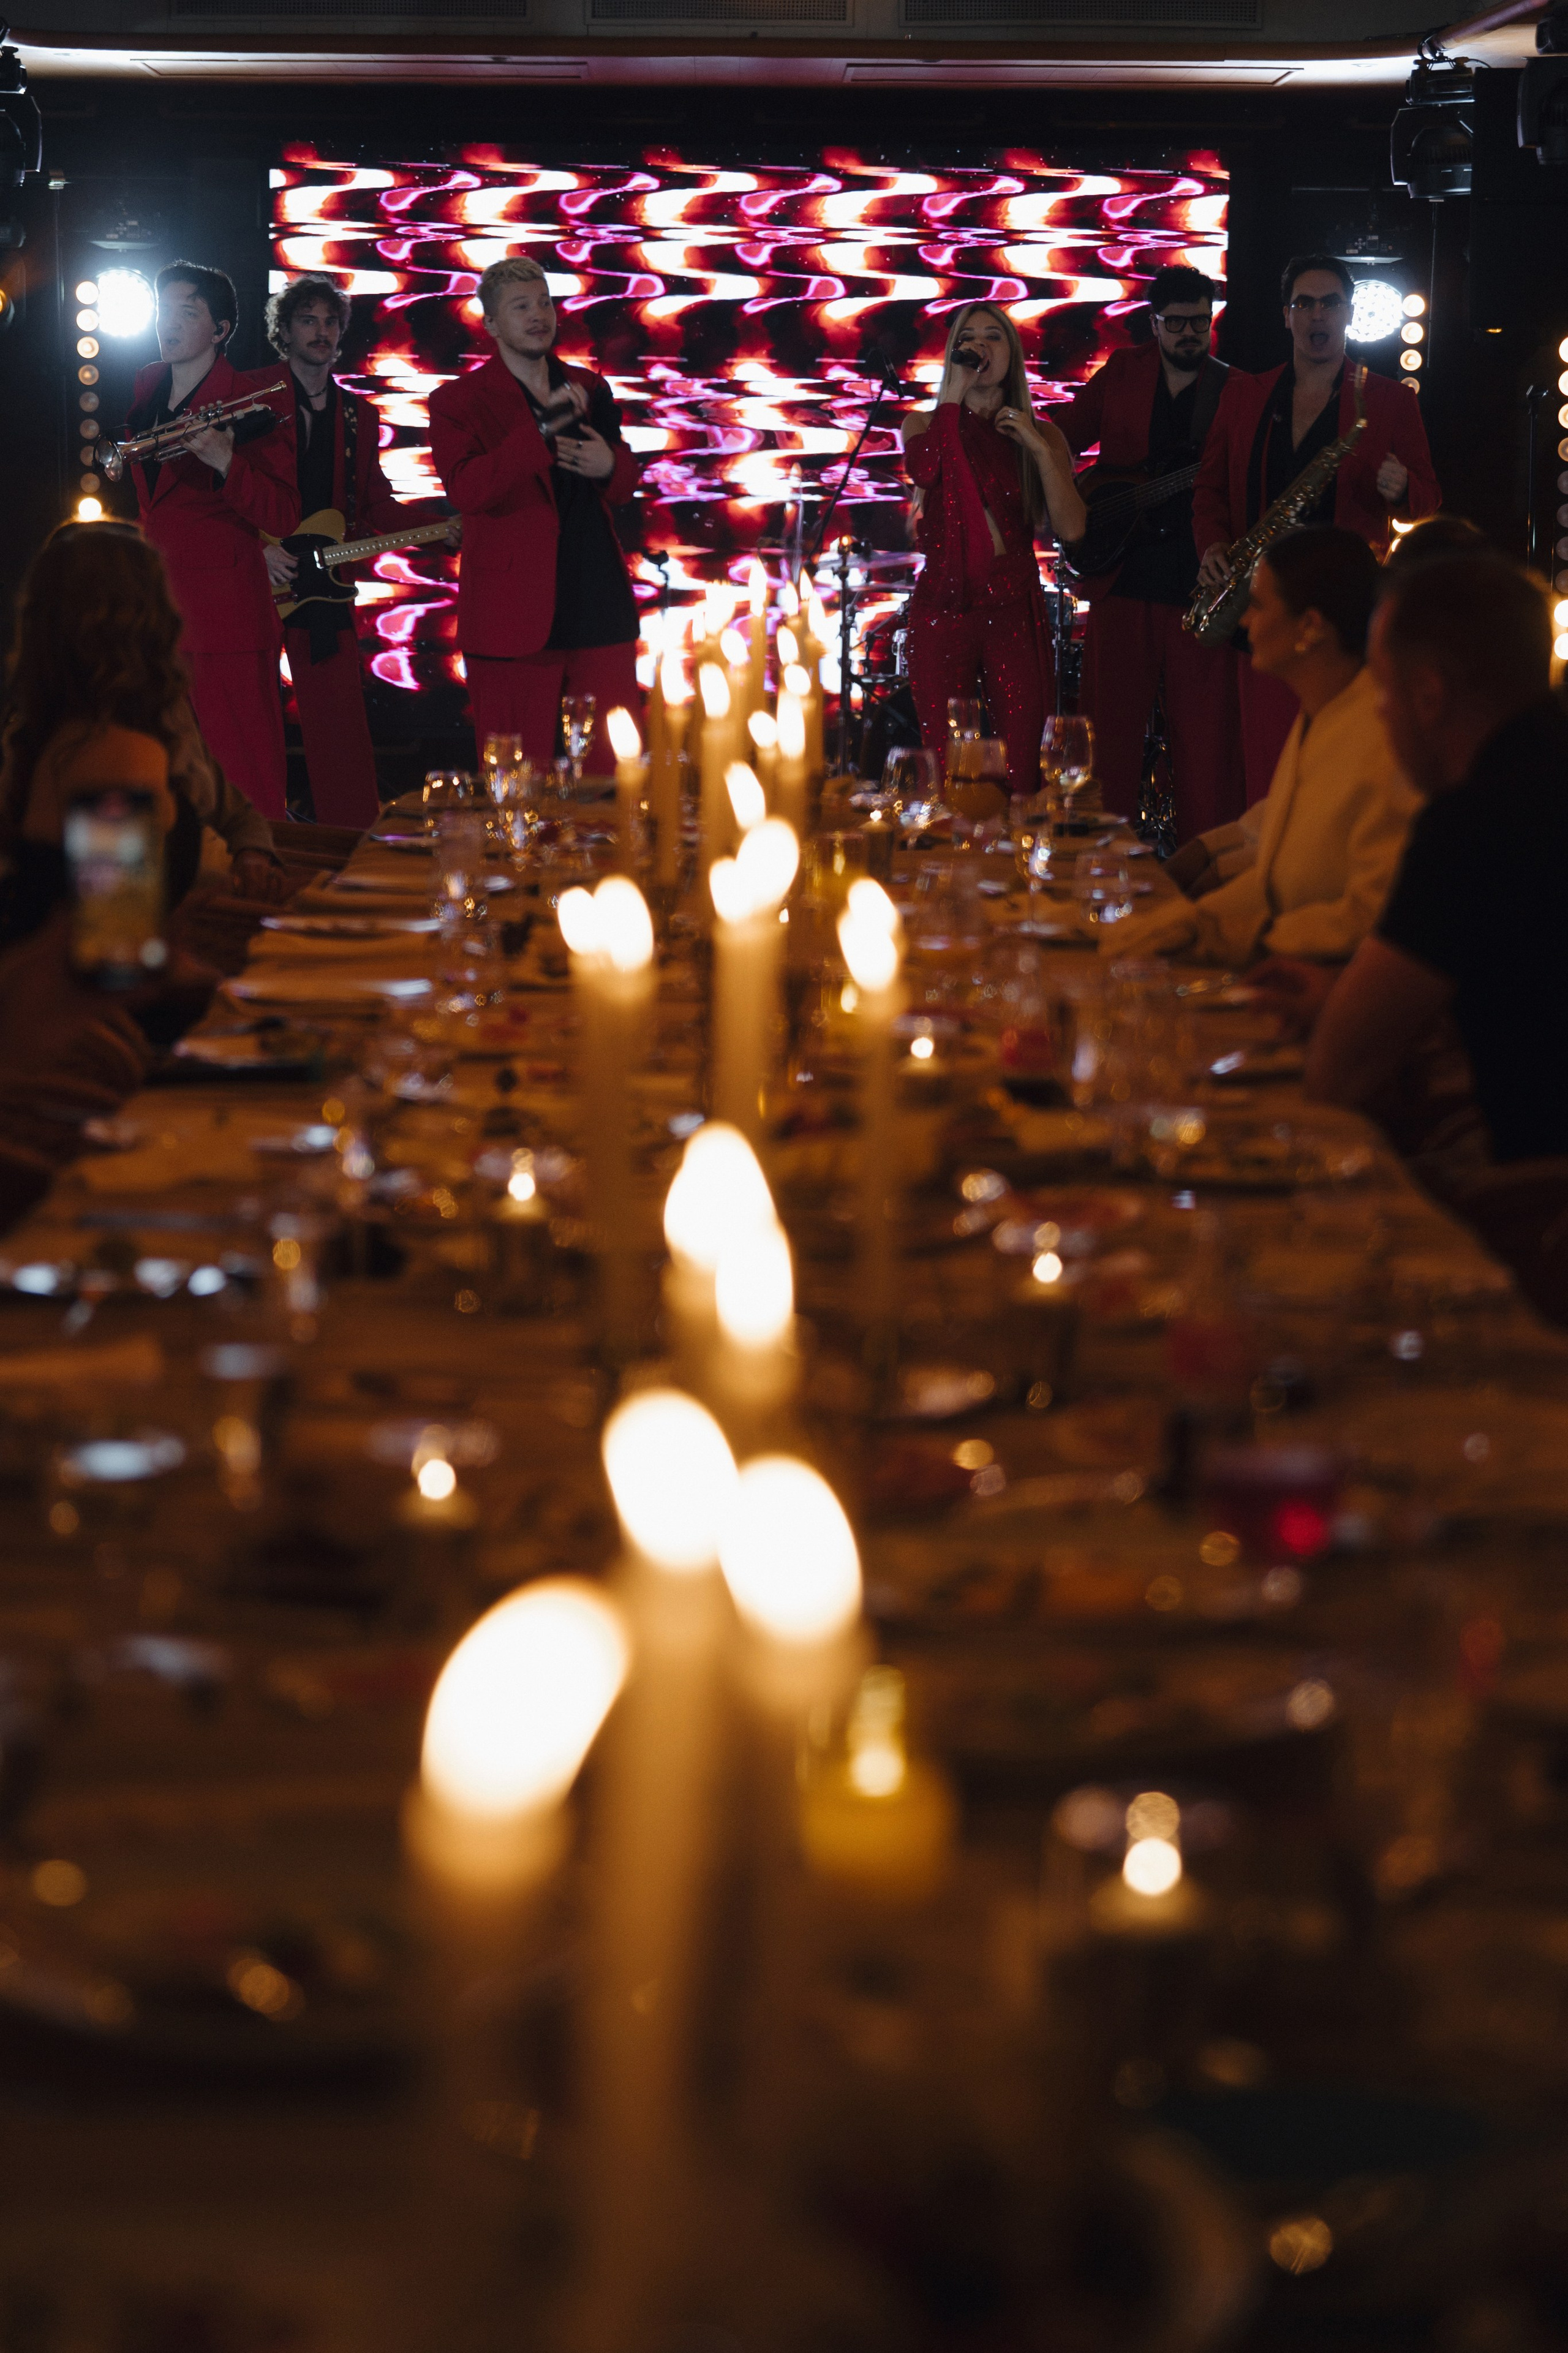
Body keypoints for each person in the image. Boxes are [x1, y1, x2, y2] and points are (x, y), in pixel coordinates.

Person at [1292, 556, 1568, 1165]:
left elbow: (1339, 1069)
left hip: (1539, 1204)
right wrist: (1337, 990)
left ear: (1428, 695)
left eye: (1384, 689)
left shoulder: (1476, 823)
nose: (1379, 711)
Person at [1193, 252, 1439, 804]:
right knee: (1264, 775)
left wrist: (1402, 490)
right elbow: (1209, 490)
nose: (1317, 313)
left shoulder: (1389, 400)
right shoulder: (1245, 395)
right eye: (1304, 302)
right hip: (1260, 609)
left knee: (1333, 776)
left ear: (1349, 313)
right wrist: (1211, 543)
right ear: (1287, 316)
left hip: (1343, 619)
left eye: (1330, 302)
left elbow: (1428, 501)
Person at [1107, 528, 1417, 967]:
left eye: (1257, 605)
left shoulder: (1381, 738)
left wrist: (1216, 933)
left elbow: (1370, 920)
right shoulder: (1324, 709)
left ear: (1310, 627)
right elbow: (1277, 869)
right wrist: (1182, 917)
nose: (1245, 620)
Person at [0, 521, 284, 951]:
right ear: (146, 618)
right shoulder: (116, 758)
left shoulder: (58, 736)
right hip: (100, 1005)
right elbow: (114, 955)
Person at [428, 255, 641, 775]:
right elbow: (468, 488)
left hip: (598, 602)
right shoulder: (458, 401)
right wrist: (540, 431)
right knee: (520, 780)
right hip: (512, 617)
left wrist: (610, 464)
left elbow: (625, 480)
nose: (538, 315)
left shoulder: (587, 387)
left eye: (544, 302)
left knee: (612, 774)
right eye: (521, 306)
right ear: (493, 324)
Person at [1055, 265, 1242, 836]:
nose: (1190, 333)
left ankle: (1202, 862)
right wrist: (1064, 504)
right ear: (1154, 324)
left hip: (1198, 583)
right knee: (1107, 733)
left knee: (1203, 740)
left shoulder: (1234, 388)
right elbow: (1061, 437)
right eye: (1177, 323)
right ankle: (1098, 857)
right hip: (1123, 577)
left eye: (1200, 323)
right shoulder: (1122, 373)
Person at [263, 274, 455, 829]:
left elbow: (373, 504)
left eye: (330, 322)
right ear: (285, 330)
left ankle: (350, 842)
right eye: (308, 320)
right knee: (249, 721)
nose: (321, 332)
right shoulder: (253, 395)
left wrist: (439, 526)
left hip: (323, 581)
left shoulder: (359, 415)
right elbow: (217, 489)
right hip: (257, 575)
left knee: (340, 724)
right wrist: (257, 551)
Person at [121, 262, 300, 820]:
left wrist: (227, 463)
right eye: (162, 310)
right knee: (159, 771)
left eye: (186, 312)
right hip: (159, 612)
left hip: (227, 616)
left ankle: (260, 893)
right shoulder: (148, 385)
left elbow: (285, 512)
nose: (167, 323)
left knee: (246, 773)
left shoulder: (252, 398)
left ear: (221, 329)